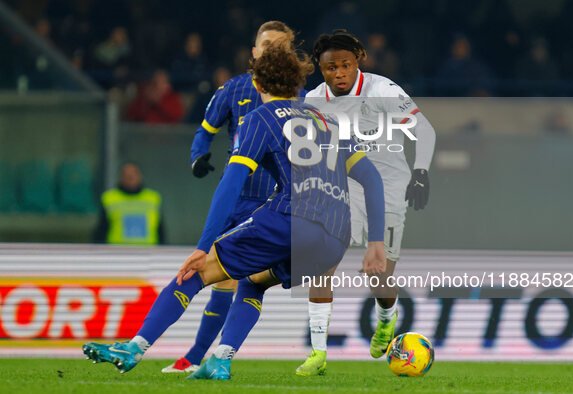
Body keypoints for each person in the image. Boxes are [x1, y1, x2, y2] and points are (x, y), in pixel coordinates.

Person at [82, 44, 387, 381]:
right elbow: (372, 179)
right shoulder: (329, 120)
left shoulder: (262, 118)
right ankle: (221, 359)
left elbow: (231, 182)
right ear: (296, 83)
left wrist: (204, 244)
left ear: (257, 84)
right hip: (334, 237)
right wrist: (375, 242)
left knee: (194, 273)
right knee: (254, 281)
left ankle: (134, 346)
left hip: (290, 219)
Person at [159, 21, 298, 374]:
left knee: (234, 278)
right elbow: (205, 130)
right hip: (236, 198)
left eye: (280, 45)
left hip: (273, 204)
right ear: (254, 51)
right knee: (224, 276)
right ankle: (202, 356)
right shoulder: (233, 90)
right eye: (267, 43)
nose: (272, 49)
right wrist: (197, 155)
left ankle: (196, 355)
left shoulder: (300, 97)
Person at [296, 30, 436, 376]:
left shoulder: (383, 91)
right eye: (331, 68)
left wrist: (420, 172)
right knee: (321, 263)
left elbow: (425, 130)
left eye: (345, 65)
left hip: (387, 190)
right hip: (341, 190)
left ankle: (387, 317)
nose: (339, 73)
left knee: (379, 276)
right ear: (321, 68)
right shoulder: (313, 101)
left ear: (358, 61)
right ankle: (318, 352)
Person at [93, 163, 165, 245]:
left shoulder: (153, 198)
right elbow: (102, 229)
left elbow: (161, 230)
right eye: (127, 175)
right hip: (118, 252)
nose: (130, 178)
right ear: (121, 177)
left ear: (140, 176)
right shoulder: (109, 198)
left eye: (133, 174)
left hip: (149, 252)